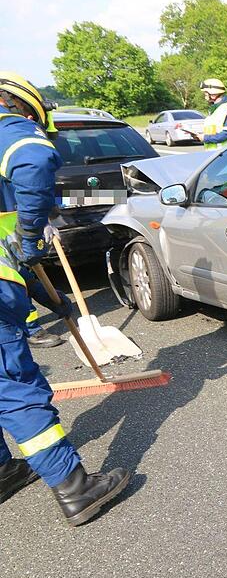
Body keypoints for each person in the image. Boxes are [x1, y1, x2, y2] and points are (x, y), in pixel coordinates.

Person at [0, 72, 130, 526]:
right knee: (15, 389)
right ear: (24, 107)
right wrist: (31, 235)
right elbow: (34, 161)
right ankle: (75, 489)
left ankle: (2, 470)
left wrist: (36, 287)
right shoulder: (10, 128)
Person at [188, 78, 227, 150]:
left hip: (224, 154)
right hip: (213, 154)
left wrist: (205, 138)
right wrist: (200, 136)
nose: (205, 96)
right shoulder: (214, 111)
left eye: (206, 93)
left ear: (213, 94)